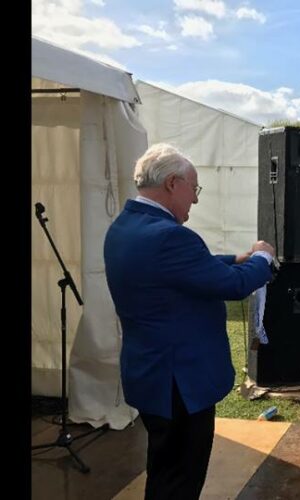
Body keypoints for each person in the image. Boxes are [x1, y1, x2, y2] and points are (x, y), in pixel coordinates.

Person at [103, 143, 275, 499]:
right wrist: (262, 258)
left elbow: (186, 268)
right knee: (182, 477)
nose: (194, 200)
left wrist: (233, 257)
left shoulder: (125, 226)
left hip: (150, 374)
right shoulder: (170, 237)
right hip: (180, 383)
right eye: (193, 189)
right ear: (172, 183)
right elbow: (234, 285)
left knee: (164, 468)